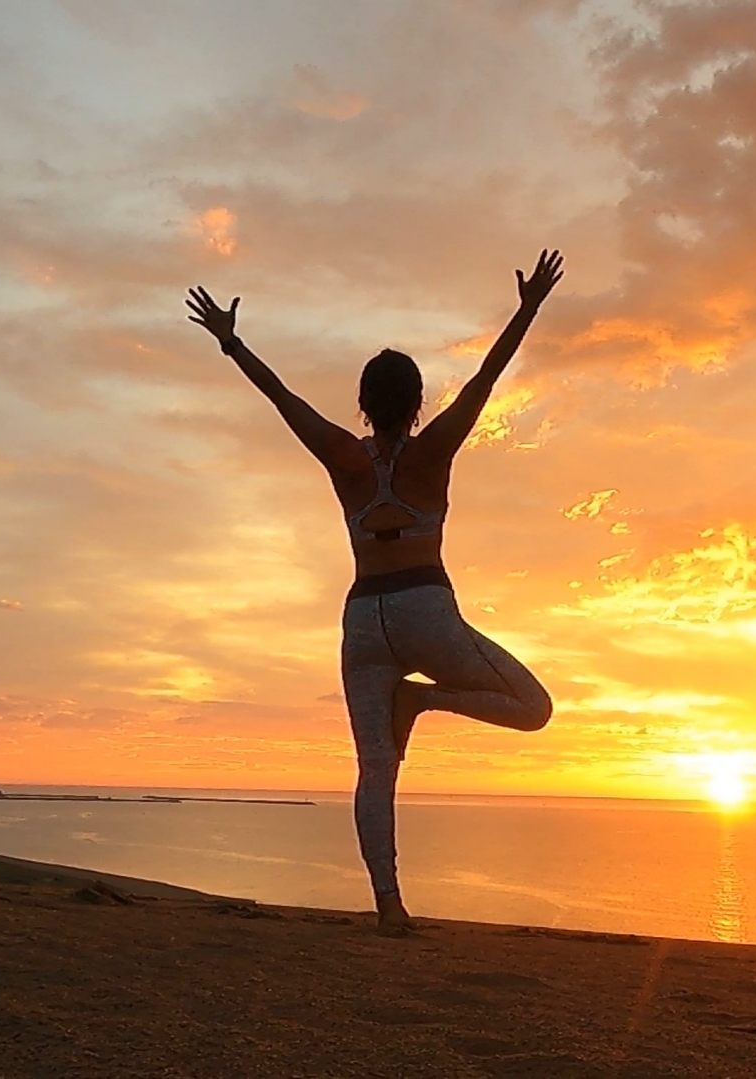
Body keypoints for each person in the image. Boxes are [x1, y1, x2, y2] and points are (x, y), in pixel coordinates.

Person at [185, 249, 564, 933]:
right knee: (533, 707)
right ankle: (422, 699)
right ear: (417, 403)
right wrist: (527, 309)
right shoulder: (430, 453)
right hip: (424, 609)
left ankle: (388, 904)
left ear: (364, 403)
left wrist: (232, 343)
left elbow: (283, 400)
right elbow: (486, 378)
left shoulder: (345, 457)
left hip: (363, 619)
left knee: (374, 767)